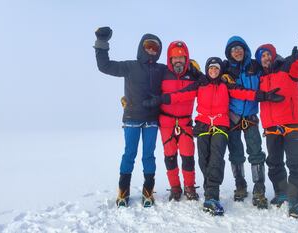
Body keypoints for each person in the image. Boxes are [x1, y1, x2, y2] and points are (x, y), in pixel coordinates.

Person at [144, 57, 283, 215]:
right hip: (203, 125)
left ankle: (212, 196)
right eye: (211, 68)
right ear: (207, 69)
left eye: (217, 69)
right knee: (204, 160)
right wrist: (160, 99)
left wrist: (264, 96)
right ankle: (209, 187)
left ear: (220, 71)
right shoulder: (200, 84)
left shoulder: (226, 85)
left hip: (220, 125)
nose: (214, 71)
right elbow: (180, 95)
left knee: (216, 158)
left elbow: (244, 93)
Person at [93, 26, 166, 208]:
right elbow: (105, 66)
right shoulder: (130, 66)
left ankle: (148, 192)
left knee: (148, 156)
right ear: (142, 47)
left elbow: (180, 72)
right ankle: (123, 192)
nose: (151, 49)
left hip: (151, 119)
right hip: (132, 117)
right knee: (129, 154)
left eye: (155, 48)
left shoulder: (161, 69)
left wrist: (195, 70)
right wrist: (102, 43)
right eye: (148, 45)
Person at [254, 31, 298, 218]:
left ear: (273, 55)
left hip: (292, 126)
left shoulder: (287, 68)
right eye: (262, 56)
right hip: (271, 129)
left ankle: (295, 200)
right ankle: (281, 192)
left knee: (296, 164)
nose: (266, 58)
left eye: (268, 54)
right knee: (274, 164)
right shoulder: (259, 78)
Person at [222, 36, 267, 208]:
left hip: (250, 117)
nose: (237, 52)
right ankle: (240, 184)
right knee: (235, 153)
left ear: (245, 49)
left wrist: (278, 61)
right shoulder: (226, 68)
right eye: (233, 50)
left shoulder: (255, 66)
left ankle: (259, 188)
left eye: (239, 48)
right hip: (232, 117)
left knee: (256, 152)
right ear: (229, 53)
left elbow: (270, 70)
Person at [158, 41, 202, 201]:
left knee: (188, 156)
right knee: (169, 156)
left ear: (186, 59)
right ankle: (175, 188)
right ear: (170, 59)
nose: (178, 61)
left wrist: (198, 73)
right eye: (175, 58)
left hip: (185, 122)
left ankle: (189, 187)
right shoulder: (162, 73)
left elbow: (206, 86)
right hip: (166, 122)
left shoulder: (193, 74)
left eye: (181, 58)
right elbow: (147, 88)